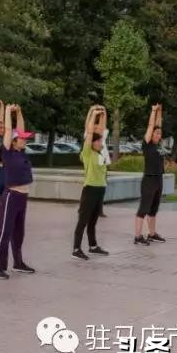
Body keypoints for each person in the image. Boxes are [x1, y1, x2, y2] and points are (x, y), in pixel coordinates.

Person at [0, 104, 36, 279]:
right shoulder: (7, 151)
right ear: (13, 141)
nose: (24, 140)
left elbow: (20, 129)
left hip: (23, 197)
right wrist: (8, 112)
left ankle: (18, 263)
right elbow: (9, 130)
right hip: (11, 196)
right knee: (5, 231)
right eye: (21, 138)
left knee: (18, 232)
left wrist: (20, 112)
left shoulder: (21, 152)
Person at [72, 105, 109, 260]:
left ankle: (93, 246)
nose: (101, 141)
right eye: (99, 140)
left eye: (101, 139)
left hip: (101, 189)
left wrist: (103, 113)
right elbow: (89, 135)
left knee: (93, 220)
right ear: (92, 142)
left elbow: (102, 128)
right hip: (90, 189)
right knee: (83, 220)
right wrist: (93, 114)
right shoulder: (87, 153)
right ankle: (76, 249)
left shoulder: (101, 152)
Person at [134, 104, 167, 245]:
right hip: (149, 180)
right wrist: (153, 111)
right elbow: (151, 125)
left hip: (159, 179)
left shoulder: (158, 145)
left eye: (160, 134)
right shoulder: (147, 144)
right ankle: (137, 236)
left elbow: (158, 124)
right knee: (144, 208)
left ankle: (152, 234)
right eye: (156, 133)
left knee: (154, 209)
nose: (158, 135)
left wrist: (160, 111)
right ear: (151, 134)